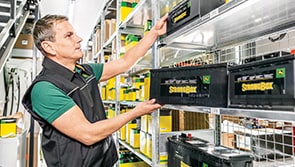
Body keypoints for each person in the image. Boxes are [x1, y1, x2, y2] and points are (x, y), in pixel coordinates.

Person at [22, 13, 167, 167]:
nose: (79, 39)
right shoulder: (45, 88)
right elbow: (88, 134)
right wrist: (134, 113)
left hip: (104, 161)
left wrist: (154, 33)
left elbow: (124, 62)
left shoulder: (84, 71)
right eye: (69, 36)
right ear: (48, 47)